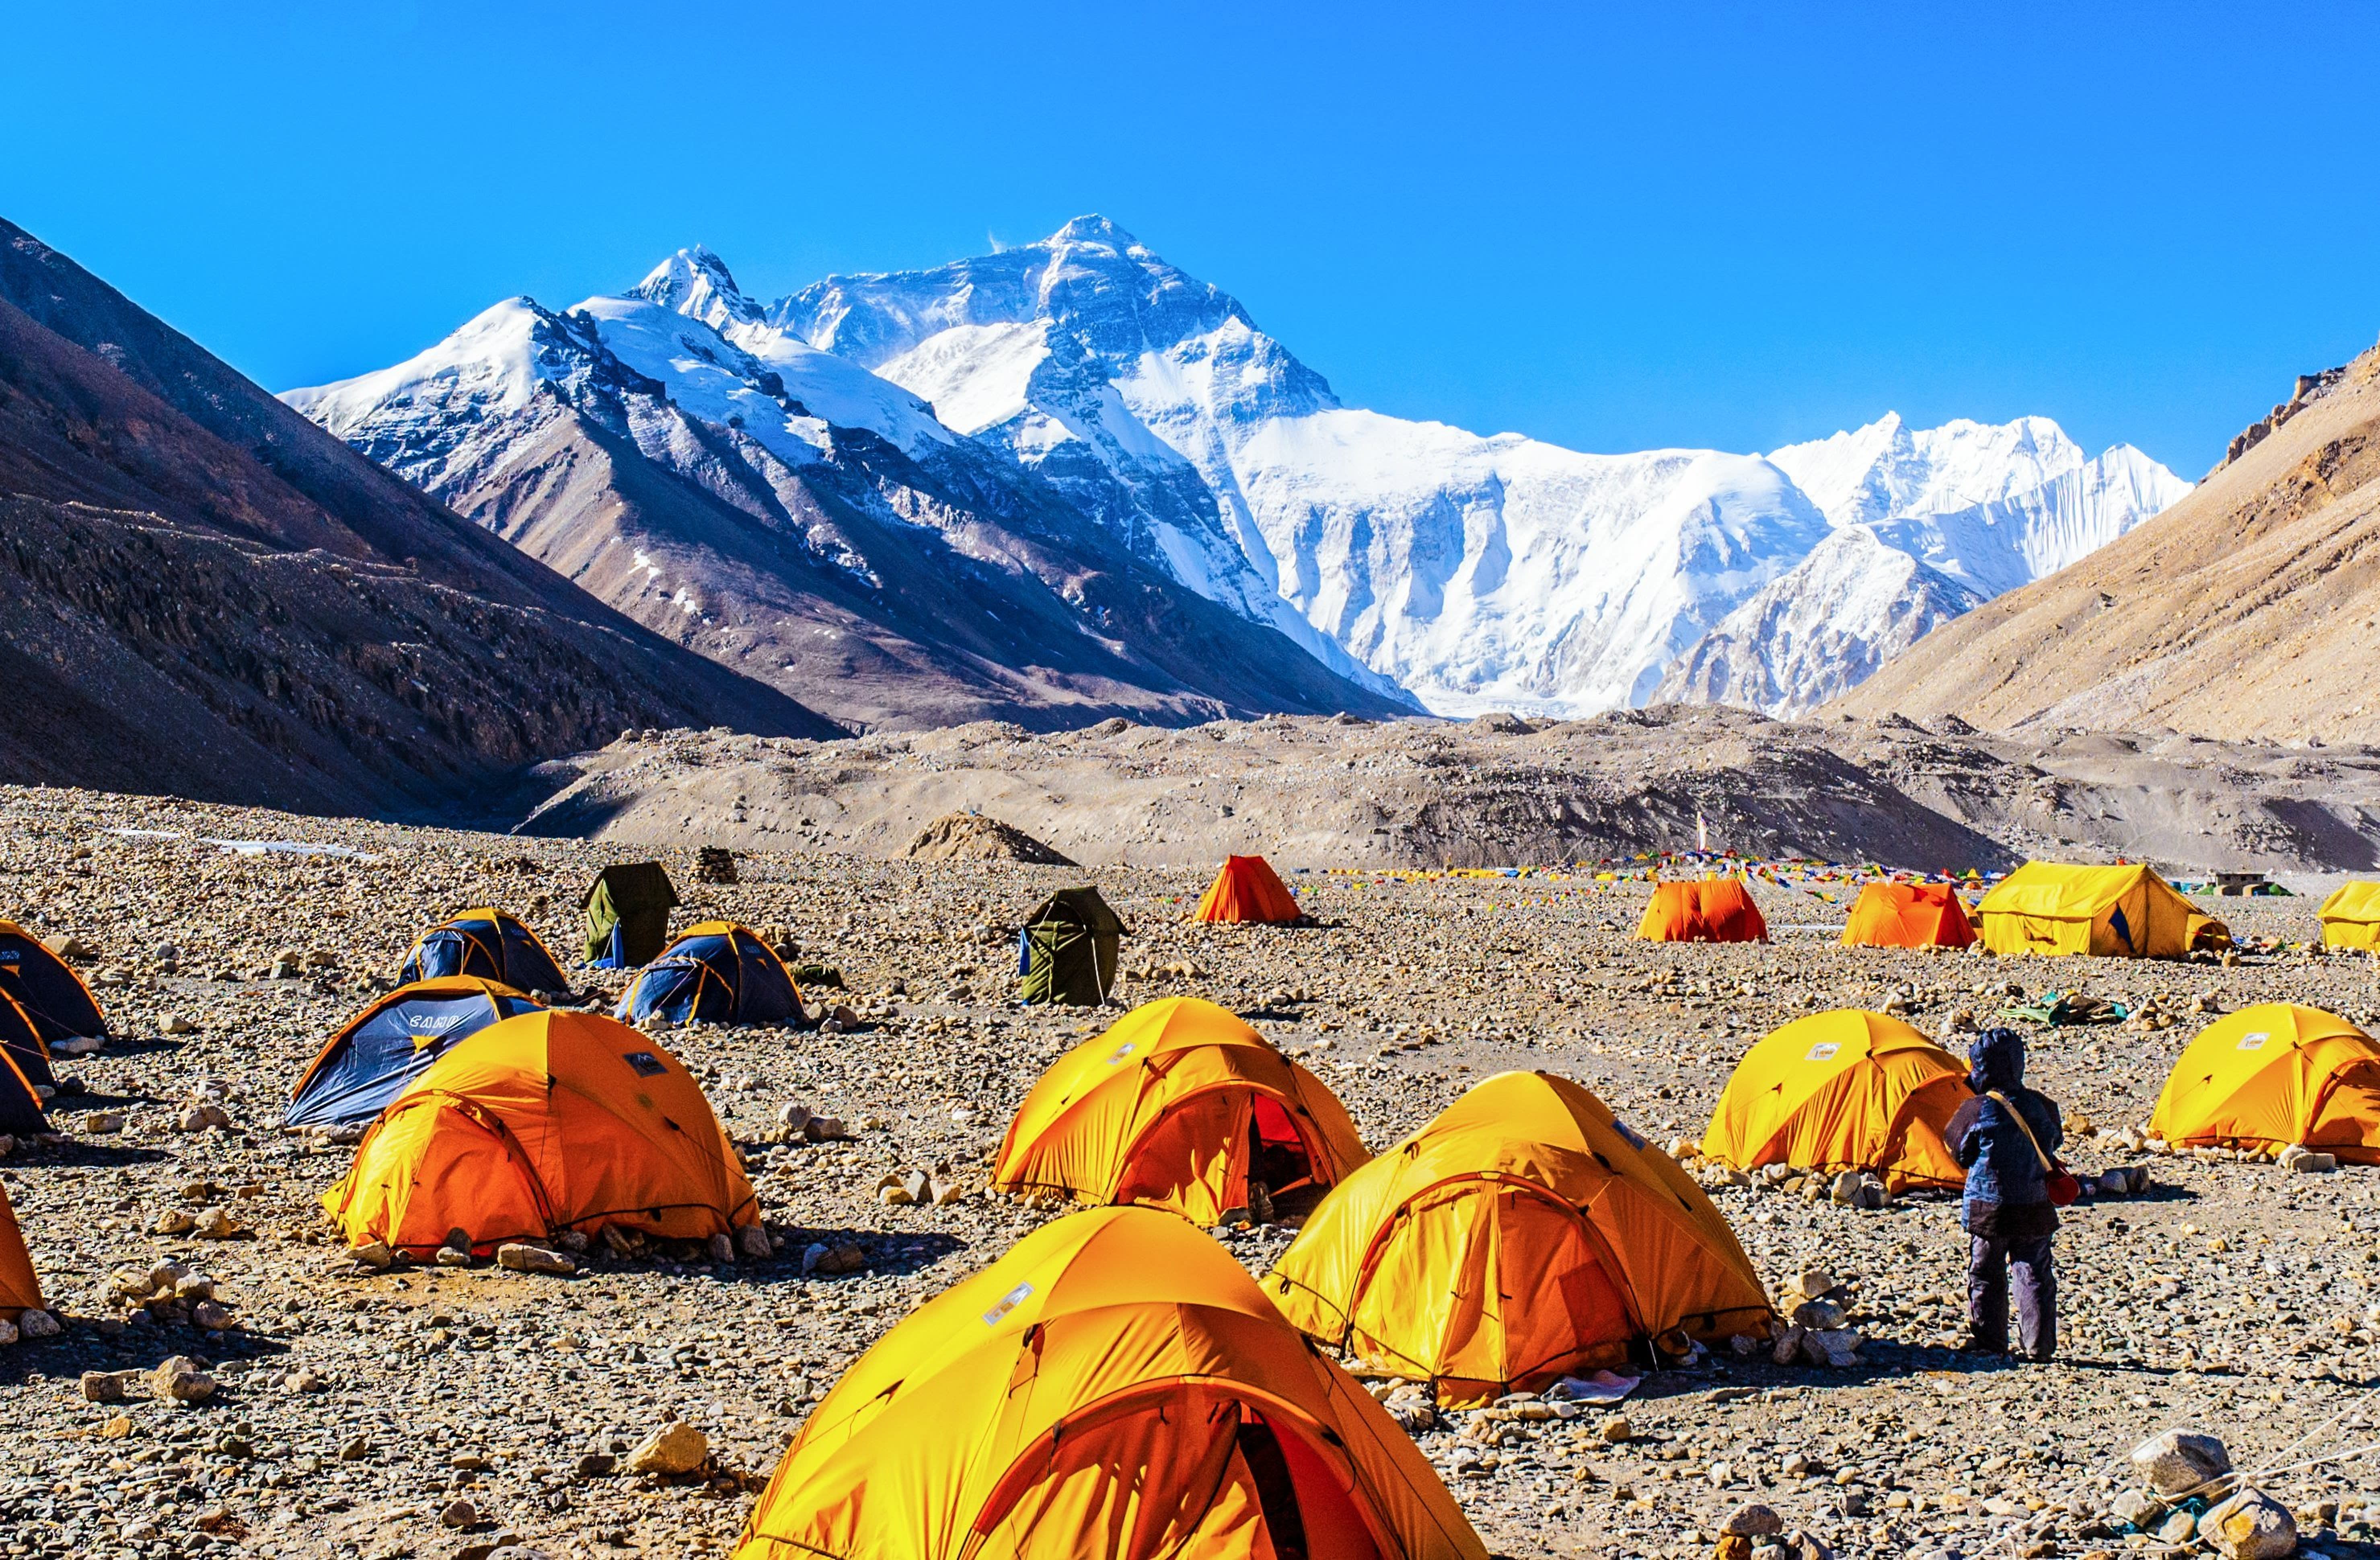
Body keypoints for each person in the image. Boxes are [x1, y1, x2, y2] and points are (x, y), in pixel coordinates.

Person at [1942, 1026, 2063, 1360]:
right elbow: (2055, 1142)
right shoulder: (2042, 1105)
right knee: (2035, 1274)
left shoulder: (1976, 1109)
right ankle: (2039, 1346)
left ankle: (1991, 1343)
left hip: (1989, 1209)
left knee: (1986, 1274)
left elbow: (1959, 1151)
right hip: (2035, 1206)